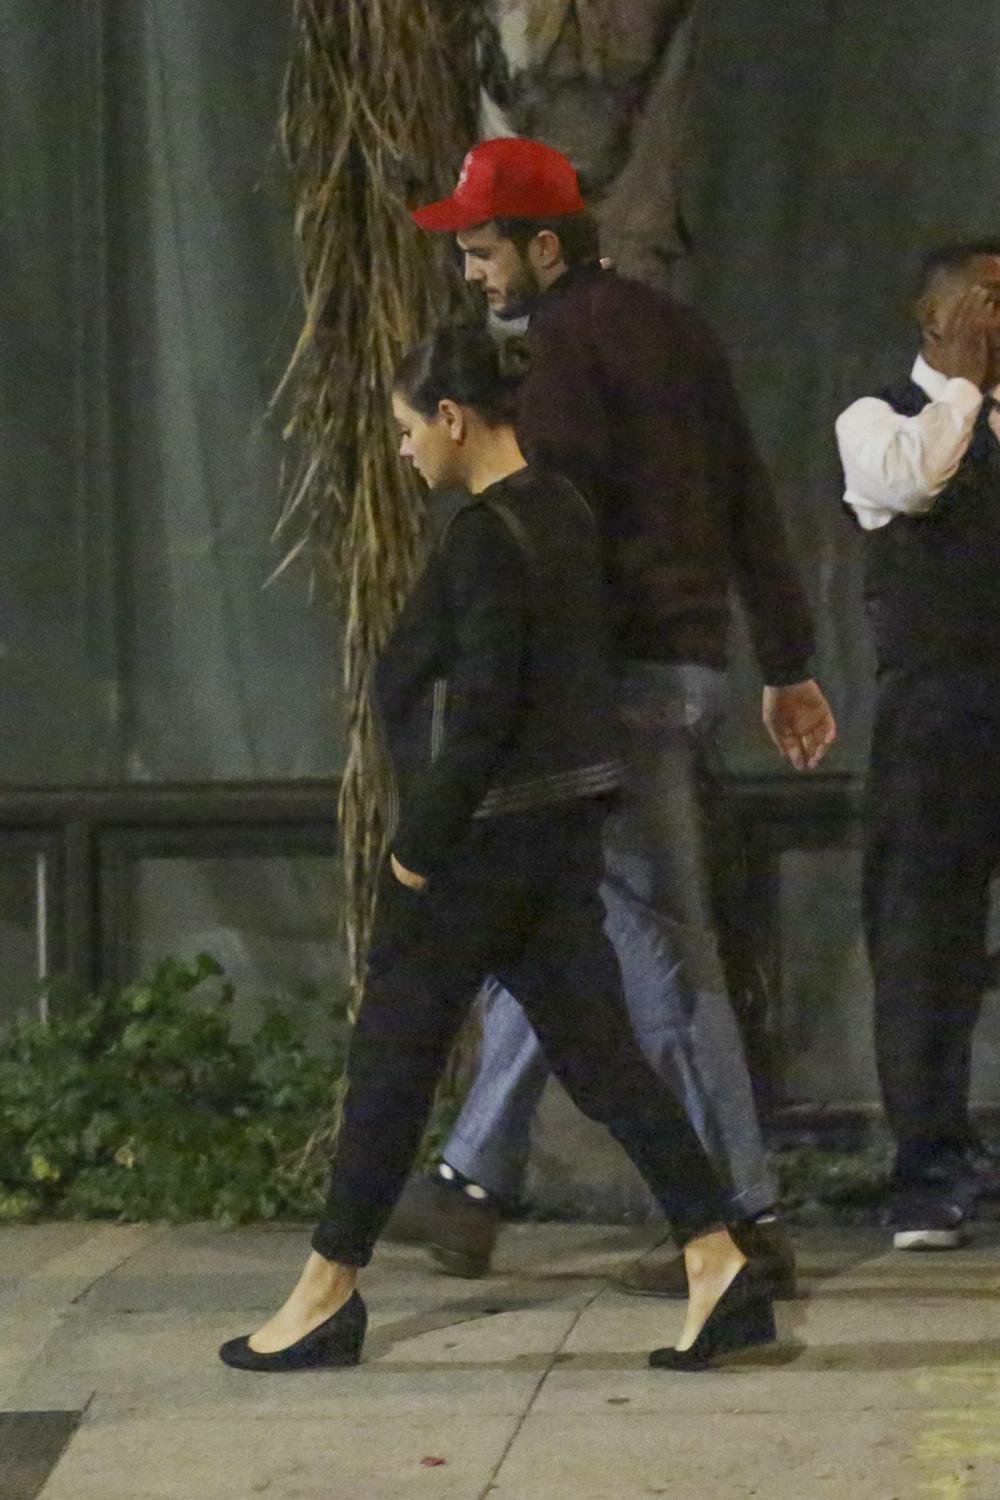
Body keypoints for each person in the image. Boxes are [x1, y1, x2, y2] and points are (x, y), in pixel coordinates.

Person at [219, 326, 777, 1374]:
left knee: (392, 1055)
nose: (401, 450)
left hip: (477, 842)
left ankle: (326, 1292)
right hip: (556, 834)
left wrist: (417, 850)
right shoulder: (561, 510)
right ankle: (717, 1257)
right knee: (602, 1058)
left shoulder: (487, 536)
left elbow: (481, 707)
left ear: (452, 417)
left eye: (405, 429)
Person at [394, 137, 836, 1296]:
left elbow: (555, 533)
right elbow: (745, 493)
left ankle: (739, 1217)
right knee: (558, 917)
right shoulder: (676, 332)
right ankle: (470, 1180)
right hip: (684, 667)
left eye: (483, 251)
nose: (472, 274)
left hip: (615, 683)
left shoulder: (554, 356)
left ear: (544, 246)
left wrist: (527, 682)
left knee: (655, 943)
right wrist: (787, 660)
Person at [836, 241, 1000, 1251]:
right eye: (985, 299)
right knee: (924, 943)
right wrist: (967, 390)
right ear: (930, 315)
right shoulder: (878, 420)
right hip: (937, 718)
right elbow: (915, 483)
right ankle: (927, 1169)